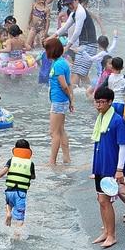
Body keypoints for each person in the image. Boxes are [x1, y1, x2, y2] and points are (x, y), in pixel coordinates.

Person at [90, 86, 125, 250]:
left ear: (110, 102)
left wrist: (119, 169)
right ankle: (106, 231)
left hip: (110, 166)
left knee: (106, 201)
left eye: (102, 102)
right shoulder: (101, 118)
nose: (99, 105)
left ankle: (112, 235)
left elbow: (123, 146)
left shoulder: (117, 120)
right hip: (100, 165)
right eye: (96, 102)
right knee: (101, 200)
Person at [0, 139, 36, 239]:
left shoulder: (11, 160)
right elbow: (32, 176)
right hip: (21, 193)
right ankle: (16, 237)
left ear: (15, 149)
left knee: (9, 203)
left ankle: (8, 213)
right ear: (28, 150)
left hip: (9, 191)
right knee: (20, 218)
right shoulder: (30, 163)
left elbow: (3, 172)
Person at [45, 37, 74, 166]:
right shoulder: (61, 62)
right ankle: (66, 158)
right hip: (61, 101)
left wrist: (70, 100)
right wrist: (70, 100)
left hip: (58, 101)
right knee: (61, 130)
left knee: (54, 132)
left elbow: (64, 85)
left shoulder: (58, 65)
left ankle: (52, 161)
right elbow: (68, 84)